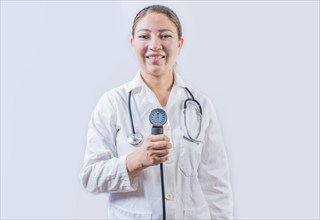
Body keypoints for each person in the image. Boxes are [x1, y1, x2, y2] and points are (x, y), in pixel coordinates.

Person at [80, 5, 233, 219]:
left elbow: (216, 185)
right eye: (145, 36)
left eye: (165, 36)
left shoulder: (200, 105)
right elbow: (91, 177)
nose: (155, 45)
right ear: (132, 43)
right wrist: (137, 160)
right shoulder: (112, 103)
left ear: (180, 44)